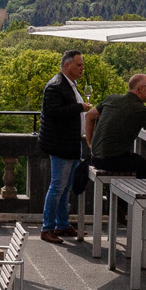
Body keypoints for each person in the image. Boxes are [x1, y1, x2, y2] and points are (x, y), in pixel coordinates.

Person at [83, 73, 146, 184]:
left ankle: (125, 198)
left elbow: (89, 116)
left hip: (95, 158)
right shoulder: (140, 109)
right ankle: (135, 199)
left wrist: (90, 144)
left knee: (137, 161)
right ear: (141, 89)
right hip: (112, 160)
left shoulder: (112, 99)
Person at [38, 50, 89, 243]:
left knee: (65, 187)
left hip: (71, 143)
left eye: (82, 65)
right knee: (58, 187)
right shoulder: (55, 86)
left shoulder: (68, 83)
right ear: (67, 65)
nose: (82, 68)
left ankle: (62, 224)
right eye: (79, 65)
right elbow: (53, 113)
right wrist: (80, 107)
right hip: (60, 145)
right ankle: (47, 228)